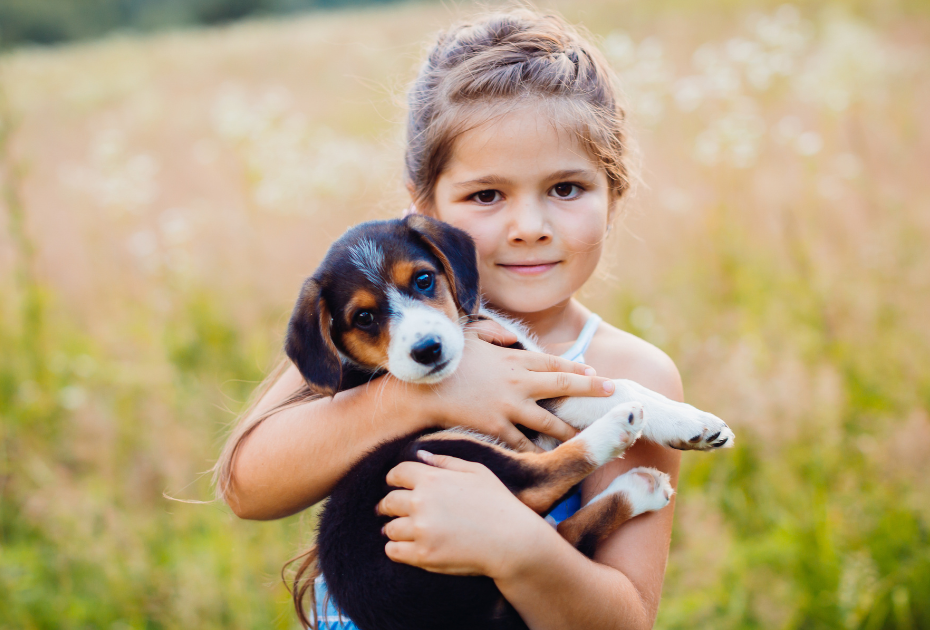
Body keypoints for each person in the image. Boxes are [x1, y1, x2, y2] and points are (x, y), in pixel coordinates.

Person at [215, 8, 686, 629]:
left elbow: (623, 621)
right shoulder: (381, 337)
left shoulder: (628, 373)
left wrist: (515, 545)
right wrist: (423, 399)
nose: (529, 228)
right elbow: (248, 486)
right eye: (486, 195)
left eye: (567, 189)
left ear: (614, 190)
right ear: (423, 207)